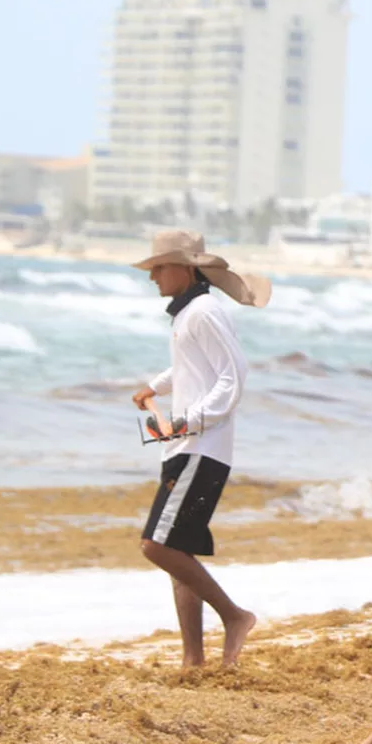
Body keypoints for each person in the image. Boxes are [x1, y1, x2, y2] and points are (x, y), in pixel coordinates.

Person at [129, 230, 271, 668]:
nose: (152, 277)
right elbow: (192, 366)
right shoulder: (189, 313)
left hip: (199, 447)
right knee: (178, 551)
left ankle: (234, 616)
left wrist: (188, 422)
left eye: (158, 267)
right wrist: (155, 386)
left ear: (185, 268)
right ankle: (193, 659)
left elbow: (233, 376)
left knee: (156, 546)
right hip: (187, 448)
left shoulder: (204, 311)